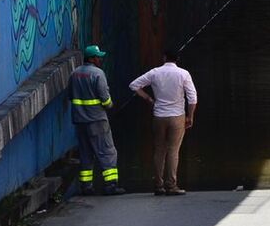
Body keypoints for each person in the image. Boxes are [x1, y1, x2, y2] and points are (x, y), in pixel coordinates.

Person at [129, 51, 199, 196]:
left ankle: (158, 185)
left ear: (164, 58)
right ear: (177, 59)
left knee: (160, 150)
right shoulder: (183, 74)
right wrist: (190, 116)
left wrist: (148, 99)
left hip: (159, 116)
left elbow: (134, 85)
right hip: (177, 116)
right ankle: (171, 185)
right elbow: (192, 98)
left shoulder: (155, 73)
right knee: (173, 150)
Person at [69, 45, 124, 195]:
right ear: (92, 58)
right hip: (97, 120)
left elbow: (70, 95)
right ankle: (110, 185)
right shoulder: (98, 74)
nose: (100, 59)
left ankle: (86, 187)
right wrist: (110, 105)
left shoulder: (75, 73)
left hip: (80, 121)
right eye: (98, 57)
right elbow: (105, 99)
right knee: (107, 151)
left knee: (86, 153)